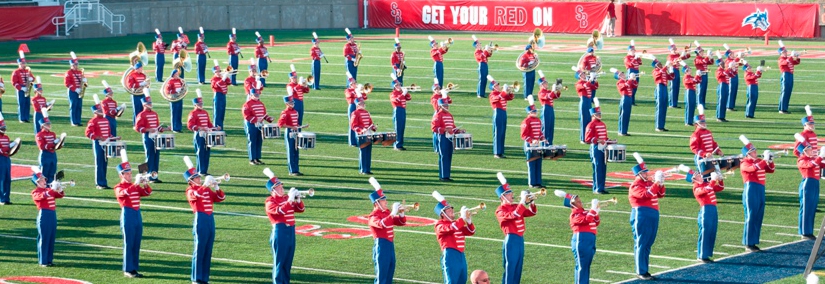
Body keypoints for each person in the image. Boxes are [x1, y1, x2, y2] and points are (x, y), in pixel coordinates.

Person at [184, 157, 225, 284]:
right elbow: (197, 195)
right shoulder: (190, 190)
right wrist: (206, 185)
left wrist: (217, 186)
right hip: (200, 218)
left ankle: (204, 278)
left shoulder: (205, 189)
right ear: (191, 180)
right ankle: (196, 278)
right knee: (199, 249)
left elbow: (220, 198)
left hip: (209, 218)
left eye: (198, 177)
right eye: (196, 178)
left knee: (208, 249)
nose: (199, 179)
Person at [113, 150, 152, 278]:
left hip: (137, 213)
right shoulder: (119, 187)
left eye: (130, 173)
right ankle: (128, 269)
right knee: (129, 242)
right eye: (127, 174)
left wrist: (145, 183)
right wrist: (135, 183)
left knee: (136, 242)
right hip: (127, 214)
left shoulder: (133, 186)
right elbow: (123, 194)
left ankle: (134, 268)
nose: (130, 176)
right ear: (121, 175)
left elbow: (147, 193)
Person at [263, 168, 305, 284]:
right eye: (279, 186)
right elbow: (280, 211)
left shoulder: (286, 198)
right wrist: (290, 199)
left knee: (288, 262)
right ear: (273, 189)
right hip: (280, 231)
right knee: (279, 262)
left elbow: (301, 209)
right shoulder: (270, 201)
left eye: (281, 185)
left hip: (291, 231)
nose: (282, 188)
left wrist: (298, 199)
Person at [628, 153, 666, 280]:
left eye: (646, 172)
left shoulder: (649, 182)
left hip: (653, 214)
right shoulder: (635, 186)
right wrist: (656, 182)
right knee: (641, 242)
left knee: (649, 242)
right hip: (641, 215)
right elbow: (647, 195)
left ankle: (645, 269)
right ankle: (641, 270)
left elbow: (660, 194)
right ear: (638, 174)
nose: (647, 174)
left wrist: (661, 183)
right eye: (644, 173)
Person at [495, 173, 537, 284]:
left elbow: (532, 212)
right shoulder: (500, 210)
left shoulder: (515, 206)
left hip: (520, 239)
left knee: (518, 267)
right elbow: (515, 215)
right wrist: (523, 201)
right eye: (509, 194)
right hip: (511, 239)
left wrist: (532, 201)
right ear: (502, 197)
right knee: (511, 267)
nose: (512, 195)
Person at [738, 135, 776, 252]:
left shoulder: (759, 161)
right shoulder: (744, 163)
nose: (755, 153)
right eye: (753, 152)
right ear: (747, 154)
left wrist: (770, 160)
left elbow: (770, 170)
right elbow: (754, 168)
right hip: (751, 189)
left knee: (758, 215)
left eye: (755, 151)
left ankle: (754, 241)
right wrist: (765, 160)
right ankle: (748, 243)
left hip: (760, 189)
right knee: (751, 215)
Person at [367, 177, 407, 284]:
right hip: (381, 246)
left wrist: (401, 213)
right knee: (382, 276)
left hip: (390, 245)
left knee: (390, 271)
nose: (386, 202)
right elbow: (382, 224)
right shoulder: (373, 216)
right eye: (383, 200)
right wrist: (393, 212)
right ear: (376, 203)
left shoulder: (386, 213)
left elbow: (401, 222)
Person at [555, 190, 600, 284]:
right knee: (581, 266)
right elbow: (587, 219)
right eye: (578, 202)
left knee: (586, 265)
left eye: (580, 201)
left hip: (590, 240)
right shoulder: (574, 214)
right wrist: (592, 209)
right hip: (581, 241)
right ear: (573, 205)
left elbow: (596, 222)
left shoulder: (585, 212)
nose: (581, 202)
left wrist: (596, 212)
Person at [432, 191, 475, 284]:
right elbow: (452, 228)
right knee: (451, 281)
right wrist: (462, 218)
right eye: (448, 209)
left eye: (451, 208)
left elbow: (471, 232)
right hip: (450, 255)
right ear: (443, 213)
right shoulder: (439, 225)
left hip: (461, 255)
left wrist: (469, 221)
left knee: (462, 280)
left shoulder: (456, 223)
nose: (451, 210)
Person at [683, 166, 724, 263]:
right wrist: (713, 180)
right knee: (705, 232)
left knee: (711, 232)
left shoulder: (705, 183)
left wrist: (720, 179)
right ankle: (701, 255)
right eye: (697, 175)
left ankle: (707, 254)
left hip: (713, 209)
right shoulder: (696, 188)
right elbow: (708, 189)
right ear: (694, 179)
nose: (700, 175)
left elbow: (721, 187)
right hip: (705, 210)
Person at [31, 167, 64, 267]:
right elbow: (42, 196)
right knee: (44, 238)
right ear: (37, 182)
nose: (44, 181)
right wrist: (52, 189)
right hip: (44, 215)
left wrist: (59, 187)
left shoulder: (48, 189)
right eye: (41, 180)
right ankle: (43, 261)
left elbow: (60, 195)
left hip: (52, 215)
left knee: (51, 238)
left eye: (44, 179)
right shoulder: (35, 192)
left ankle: (49, 260)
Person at [795, 134, 824, 240]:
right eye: (809, 149)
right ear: (804, 151)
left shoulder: (813, 158)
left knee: (812, 208)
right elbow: (811, 165)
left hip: (815, 183)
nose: (812, 150)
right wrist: (820, 156)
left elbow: (821, 165)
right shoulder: (801, 160)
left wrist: (822, 157)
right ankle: (804, 232)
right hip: (807, 184)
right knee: (806, 208)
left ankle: (809, 231)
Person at [134, 92, 164, 183]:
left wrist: (164, 129)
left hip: (156, 136)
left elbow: (157, 126)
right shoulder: (141, 115)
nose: (151, 104)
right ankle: (148, 176)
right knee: (150, 156)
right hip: (148, 137)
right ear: (144, 105)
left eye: (151, 103)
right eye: (149, 103)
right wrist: (148, 129)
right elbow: (137, 128)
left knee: (156, 157)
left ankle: (154, 176)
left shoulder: (154, 114)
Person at [188, 90, 218, 175]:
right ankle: (200, 170)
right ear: (195, 105)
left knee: (207, 152)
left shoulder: (205, 112)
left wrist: (215, 128)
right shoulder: (193, 113)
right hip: (199, 135)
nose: (201, 105)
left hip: (207, 135)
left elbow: (209, 124)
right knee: (201, 152)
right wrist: (200, 128)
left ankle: (204, 170)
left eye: (201, 104)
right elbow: (190, 126)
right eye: (199, 104)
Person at [432, 99, 463, 182]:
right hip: (442, 137)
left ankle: (447, 175)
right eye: (445, 105)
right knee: (443, 156)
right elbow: (434, 128)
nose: (447, 106)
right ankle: (443, 176)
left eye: (447, 105)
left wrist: (458, 130)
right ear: (440, 106)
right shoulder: (438, 115)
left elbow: (452, 126)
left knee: (449, 156)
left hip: (450, 137)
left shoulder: (449, 115)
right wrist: (445, 129)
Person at [242, 83, 273, 165]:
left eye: (258, 94)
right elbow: (246, 116)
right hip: (251, 124)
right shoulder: (247, 104)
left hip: (260, 125)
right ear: (251, 95)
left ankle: (257, 158)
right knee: (252, 141)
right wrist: (256, 119)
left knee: (259, 141)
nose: (257, 96)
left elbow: (264, 114)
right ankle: (252, 159)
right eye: (255, 95)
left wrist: (269, 119)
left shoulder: (261, 103)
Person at [689, 106, 722, 178]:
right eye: (701, 122)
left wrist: (718, 151)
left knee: (712, 176)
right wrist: (704, 154)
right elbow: (694, 148)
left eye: (704, 122)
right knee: (703, 176)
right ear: (696, 124)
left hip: (710, 157)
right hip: (701, 158)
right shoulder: (695, 134)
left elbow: (713, 143)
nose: (704, 124)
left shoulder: (708, 132)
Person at [86, 101, 113, 189]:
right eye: (99, 110)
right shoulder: (93, 121)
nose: (101, 110)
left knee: (105, 162)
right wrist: (98, 137)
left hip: (106, 143)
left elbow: (108, 132)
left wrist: (113, 137)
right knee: (99, 162)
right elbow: (88, 133)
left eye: (101, 109)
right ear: (95, 112)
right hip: (98, 143)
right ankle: (99, 183)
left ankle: (104, 182)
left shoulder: (105, 120)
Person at [585, 99, 609, 194]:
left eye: (600, 113)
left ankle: (601, 187)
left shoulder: (602, 124)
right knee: (598, 168)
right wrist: (598, 140)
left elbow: (604, 137)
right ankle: (597, 188)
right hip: (596, 148)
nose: (599, 115)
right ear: (593, 115)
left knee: (603, 168)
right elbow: (587, 139)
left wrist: (609, 141)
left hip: (603, 148)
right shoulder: (591, 125)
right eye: (598, 114)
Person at [521, 99, 547, 189]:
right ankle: (532, 182)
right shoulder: (526, 121)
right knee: (532, 163)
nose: (535, 113)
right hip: (530, 145)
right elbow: (524, 135)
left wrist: (543, 139)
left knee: (538, 163)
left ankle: (538, 182)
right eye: (533, 112)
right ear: (529, 112)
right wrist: (532, 141)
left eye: (535, 111)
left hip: (537, 144)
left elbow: (539, 132)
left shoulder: (538, 120)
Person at [277, 96, 303, 176]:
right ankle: (292, 170)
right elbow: (281, 124)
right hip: (289, 132)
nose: (292, 104)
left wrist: (299, 126)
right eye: (291, 103)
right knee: (291, 151)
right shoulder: (285, 112)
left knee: (296, 151)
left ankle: (296, 169)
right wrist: (292, 127)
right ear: (286, 103)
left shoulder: (295, 111)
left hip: (296, 132)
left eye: (293, 102)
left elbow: (296, 122)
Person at [489, 77, 514, 158]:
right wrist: (504, 91)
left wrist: (510, 91)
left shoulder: (501, 93)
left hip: (503, 112)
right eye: (497, 85)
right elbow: (497, 98)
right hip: (498, 112)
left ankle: (501, 152)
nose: (498, 86)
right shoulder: (492, 94)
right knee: (497, 132)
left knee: (502, 132)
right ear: (493, 87)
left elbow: (510, 98)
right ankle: (496, 152)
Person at [351, 96, 376, 175]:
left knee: (368, 151)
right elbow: (353, 125)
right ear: (358, 104)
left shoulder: (366, 112)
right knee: (363, 152)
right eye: (362, 103)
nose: (364, 104)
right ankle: (363, 169)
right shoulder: (355, 113)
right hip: (361, 135)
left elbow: (370, 123)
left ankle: (367, 169)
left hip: (368, 133)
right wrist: (361, 130)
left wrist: (373, 127)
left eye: (363, 103)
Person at [537, 71, 561, 143]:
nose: (546, 84)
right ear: (541, 85)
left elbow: (556, 96)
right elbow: (549, 96)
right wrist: (553, 90)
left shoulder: (548, 91)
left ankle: (550, 143)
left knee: (551, 126)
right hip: (545, 109)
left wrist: (558, 90)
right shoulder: (541, 92)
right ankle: (544, 144)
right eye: (544, 83)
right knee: (545, 127)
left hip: (550, 108)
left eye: (546, 82)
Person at [35, 110, 59, 183]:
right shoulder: (39, 135)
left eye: (49, 123)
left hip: (53, 154)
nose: (49, 125)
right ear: (43, 125)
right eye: (47, 124)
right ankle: (43, 189)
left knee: (52, 172)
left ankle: (50, 188)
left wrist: (59, 144)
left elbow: (55, 145)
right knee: (44, 174)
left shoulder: (52, 134)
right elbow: (42, 146)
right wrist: (53, 144)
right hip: (45, 155)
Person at [778, 42, 801, 114]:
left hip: (790, 75)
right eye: (784, 51)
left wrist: (797, 56)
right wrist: (791, 56)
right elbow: (785, 62)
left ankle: (785, 108)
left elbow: (796, 62)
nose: (786, 52)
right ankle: (782, 109)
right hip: (785, 75)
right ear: (781, 53)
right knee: (784, 92)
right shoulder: (780, 59)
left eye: (786, 51)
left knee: (788, 92)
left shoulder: (788, 58)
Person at [666, 40, 690, 108]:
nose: (674, 50)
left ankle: (675, 103)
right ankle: (672, 104)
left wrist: (686, 50)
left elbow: (686, 57)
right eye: (673, 49)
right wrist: (683, 52)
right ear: (670, 50)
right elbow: (679, 59)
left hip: (677, 70)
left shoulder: (677, 55)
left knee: (677, 87)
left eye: (675, 49)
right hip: (672, 71)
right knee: (673, 88)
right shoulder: (670, 56)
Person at [390, 74, 410, 151]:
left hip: (403, 110)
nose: (399, 86)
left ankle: (400, 144)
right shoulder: (393, 94)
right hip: (397, 110)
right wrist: (403, 93)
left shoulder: (401, 92)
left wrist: (406, 92)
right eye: (397, 85)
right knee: (397, 128)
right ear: (394, 86)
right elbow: (396, 100)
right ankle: (397, 145)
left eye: (399, 85)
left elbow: (409, 98)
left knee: (402, 128)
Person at [64, 52, 85, 126]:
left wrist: (85, 81)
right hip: (72, 91)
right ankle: (73, 121)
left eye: (77, 64)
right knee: (73, 106)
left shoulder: (80, 72)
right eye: (74, 65)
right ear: (71, 65)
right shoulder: (69, 72)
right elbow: (67, 83)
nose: (76, 66)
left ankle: (78, 121)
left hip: (79, 91)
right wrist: (75, 89)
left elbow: (82, 81)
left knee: (79, 106)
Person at [576, 71, 598, 142]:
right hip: (583, 101)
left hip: (588, 101)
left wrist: (595, 79)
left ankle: (588, 137)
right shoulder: (579, 83)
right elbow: (585, 85)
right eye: (582, 74)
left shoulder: (586, 82)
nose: (584, 75)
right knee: (584, 120)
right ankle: (583, 138)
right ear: (579, 76)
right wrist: (590, 79)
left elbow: (595, 87)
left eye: (584, 74)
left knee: (589, 120)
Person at [12, 51, 33, 123]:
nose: (24, 65)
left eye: (24, 63)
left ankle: (26, 117)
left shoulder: (27, 70)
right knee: (21, 103)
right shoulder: (16, 72)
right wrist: (21, 88)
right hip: (20, 89)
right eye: (22, 64)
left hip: (27, 87)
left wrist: (31, 79)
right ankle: (21, 118)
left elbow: (33, 78)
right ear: (19, 64)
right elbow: (14, 82)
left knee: (27, 103)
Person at [614, 70, 636, 136]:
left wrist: (634, 79)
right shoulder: (619, 82)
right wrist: (630, 79)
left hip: (629, 98)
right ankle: (622, 131)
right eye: (622, 74)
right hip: (625, 98)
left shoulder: (627, 81)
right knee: (623, 115)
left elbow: (635, 86)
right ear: (619, 77)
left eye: (623, 74)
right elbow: (625, 86)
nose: (624, 75)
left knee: (627, 115)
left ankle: (624, 131)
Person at [210, 60, 231, 129]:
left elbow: (229, 82)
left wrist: (226, 75)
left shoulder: (221, 77)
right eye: (217, 72)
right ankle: (216, 128)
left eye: (219, 71)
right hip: (218, 96)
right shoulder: (213, 79)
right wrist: (223, 78)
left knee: (222, 113)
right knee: (217, 113)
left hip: (223, 96)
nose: (219, 73)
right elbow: (217, 85)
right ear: (214, 72)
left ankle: (221, 128)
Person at [430, 80, 449, 152]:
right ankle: (436, 148)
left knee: (444, 129)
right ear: (433, 91)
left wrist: (446, 94)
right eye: (436, 89)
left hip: (444, 113)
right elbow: (438, 106)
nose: (438, 90)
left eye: (438, 88)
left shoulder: (441, 95)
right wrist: (444, 96)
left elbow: (449, 101)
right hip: (437, 114)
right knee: (437, 131)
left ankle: (442, 146)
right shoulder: (434, 97)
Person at [693, 42, 712, 106]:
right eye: (701, 52)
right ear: (698, 53)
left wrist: (711, 57)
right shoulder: (697, 59)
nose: (702, 53)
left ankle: (702, 103)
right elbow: (703, 62)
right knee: (700, 90)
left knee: (704, 90)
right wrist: (708, 56)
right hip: (700, 75)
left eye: (702, 52)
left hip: (705, 74)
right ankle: (699, 103)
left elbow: (710, 62)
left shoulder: (703, 58)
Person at [0, 112, 13, 204]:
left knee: (8, 179)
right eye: (2, 128)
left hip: (6, 159)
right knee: (2, 178)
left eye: (4, 128)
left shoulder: (7, 137)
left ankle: (7, 198)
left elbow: (9, 148)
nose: (4, 129)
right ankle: (2, 199)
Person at [723, 47, 741, 111]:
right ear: (729, 55)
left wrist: (740, 58)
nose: (733, 55)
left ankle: (732, 105)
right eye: (732, 54)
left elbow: (739, 63)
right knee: (731, 91)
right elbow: (733, 63)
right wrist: (738, 57)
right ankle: (728, 106)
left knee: (734, 91)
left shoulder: (732, 60)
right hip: (731, 77)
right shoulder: (728, 61)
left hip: (735, 75)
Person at [624, 41, 642, 105]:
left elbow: (640, 63)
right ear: (629, 51)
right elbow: (630, 64)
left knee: (635, 86)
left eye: (634, 50)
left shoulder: (635, 56)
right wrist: (634, 58)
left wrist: (638, 58)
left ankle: (633, 101)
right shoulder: (627, 57)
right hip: (631, 71)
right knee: (630, 86)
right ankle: (630, 101)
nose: (633, 51)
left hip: (637, 71)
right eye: (632, 50)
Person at [344, 76, 360, 146]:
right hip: (352, 106)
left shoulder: (357, 90)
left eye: (356, 83)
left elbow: (365, 97)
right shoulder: (348, 90)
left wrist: (361, 92)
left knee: (358, 124)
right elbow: (350, 95)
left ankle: (358, 139)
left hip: (358, 107)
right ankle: (352, 141)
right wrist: (357, 92)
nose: (356, 84)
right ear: (350, 84)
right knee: (352, 124)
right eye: (354, 83)